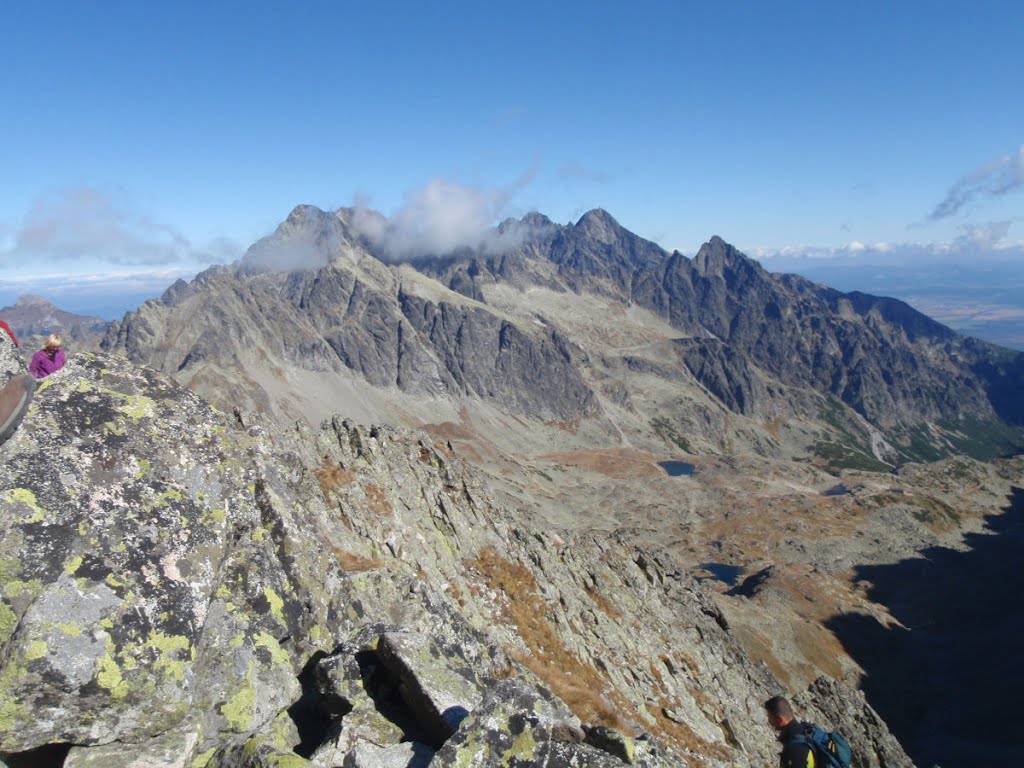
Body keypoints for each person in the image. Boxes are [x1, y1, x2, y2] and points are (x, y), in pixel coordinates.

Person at [765, 696, 814, 768]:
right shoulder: (803, 732)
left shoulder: (795, 748)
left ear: (779, 720)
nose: (769, 720)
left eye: (770, 717)